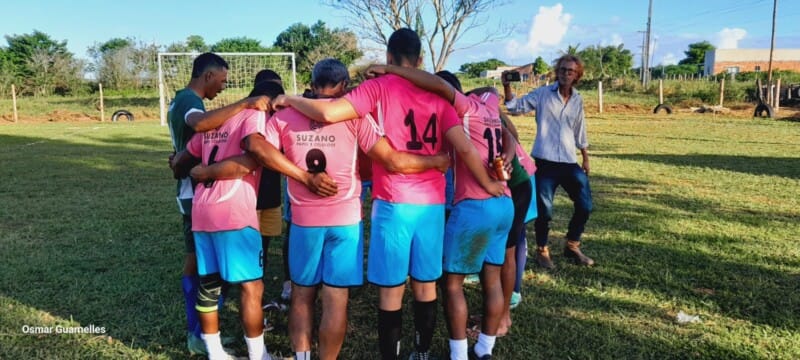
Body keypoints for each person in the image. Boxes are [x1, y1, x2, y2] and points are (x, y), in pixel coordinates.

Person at [272, 28, 505, 360]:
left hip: (393, 203)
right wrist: (474, 175)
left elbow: (326, 112)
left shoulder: (377, 87)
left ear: (389, 58)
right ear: (420, 59)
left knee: (390, 292)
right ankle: (422, 352)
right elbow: (463, 147)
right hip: (432, 205)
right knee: (425, 286)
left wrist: (291, 98)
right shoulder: (438, 96)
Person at [365, 65, 517, 360]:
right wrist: (507, 159)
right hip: (504, 202)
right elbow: (510, 135)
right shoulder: (486, 108)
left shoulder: (459, 110)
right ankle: (485, 348)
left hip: (475, 203)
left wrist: (390, 70)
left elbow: (437, 88)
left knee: (451, 283)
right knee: (492, 278)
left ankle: (458, 353)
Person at [167, 52, 272, 356]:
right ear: (208, 75)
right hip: (219, 203)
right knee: (249, 285)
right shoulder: (193, 103)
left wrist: (177, 161)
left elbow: (183, 158)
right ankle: (214, 340)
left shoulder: (188, 106)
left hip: (200, 204)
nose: (223, 88)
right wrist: (245, 104)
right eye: (222, 80)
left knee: (207, 278)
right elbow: (248, 155)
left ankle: (208, 343)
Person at [502, 54, 595, 268]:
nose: (565, 74)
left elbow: (580, 130)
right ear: (557, 71)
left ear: (577, 75)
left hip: (570, 162)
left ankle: (572, 245)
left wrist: (585, 158)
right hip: (546, 162)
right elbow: (515, 107)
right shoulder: (543, 94)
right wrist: (507, 87)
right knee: (545, 211)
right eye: (562, 69)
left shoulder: (577, 99)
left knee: (585, 205)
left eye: (570, 71)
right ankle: (542, 250)